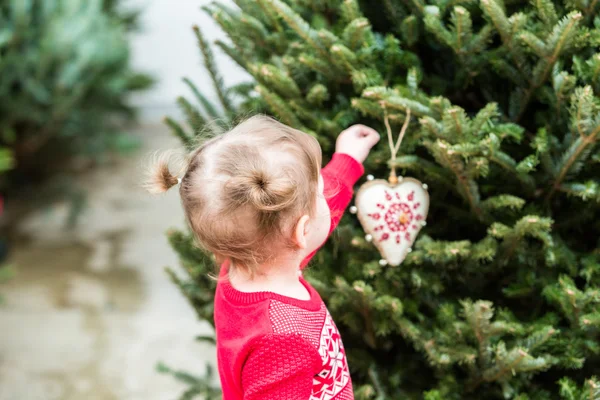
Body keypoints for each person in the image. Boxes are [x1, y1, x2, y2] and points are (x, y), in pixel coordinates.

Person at [147, 115, 379, 400]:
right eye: (319, 193)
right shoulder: (282, 339)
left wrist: (348, 159)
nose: (326, 195)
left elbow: (303, 219)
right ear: (302, 231)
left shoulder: (249, 264)